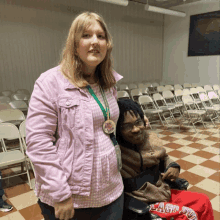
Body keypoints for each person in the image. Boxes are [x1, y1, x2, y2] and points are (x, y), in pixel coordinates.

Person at [26, 12, 126, 220]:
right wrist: (60, 195)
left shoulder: (108, 81)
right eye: (86, 35)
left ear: (108, 44)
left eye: (101, 36)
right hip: (71, 197)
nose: (95, 42)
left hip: (111, 190)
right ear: (74, 43)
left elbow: (106, 128)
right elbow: (38, 142)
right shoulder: (50, 83)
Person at [116, 99, 214, 220]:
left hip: (162, 191)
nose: (135, 129)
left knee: (203, 201)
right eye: (127, 126)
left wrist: (173, 166)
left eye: (138, 122)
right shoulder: (116, 151)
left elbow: (164, 157)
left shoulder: (150, 138)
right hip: (143, 202)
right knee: (187, 215)